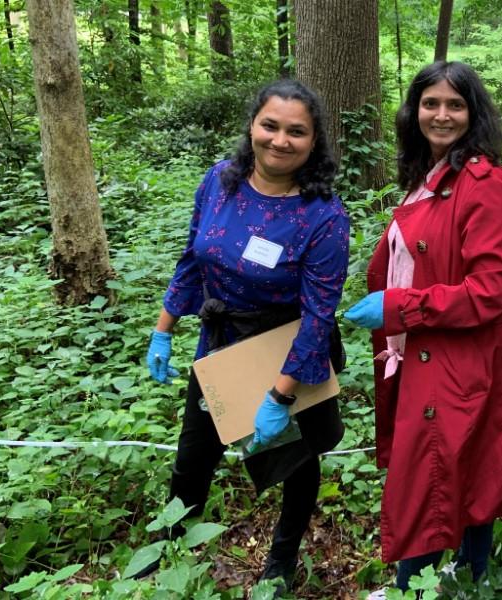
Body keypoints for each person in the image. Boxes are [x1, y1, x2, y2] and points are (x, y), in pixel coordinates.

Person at [138, 79, 350, 596]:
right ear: (252, 125)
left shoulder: (325, 217)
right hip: (219, 345)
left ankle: (281, 560)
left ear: (314, 140)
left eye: (296, 132)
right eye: (270, 125)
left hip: (286, 351)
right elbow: (192, 258)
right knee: (194, 454)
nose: (280, 140)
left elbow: (319, 317)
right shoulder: (220, 181)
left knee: (295, 464)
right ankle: (167, 546)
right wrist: (164, 330)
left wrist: (281, 395)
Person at [345, 61, 502, 596]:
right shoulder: (429, 177)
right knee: (463, 471)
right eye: (431, 103)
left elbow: (493, 291)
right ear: (414, 110)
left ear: (473, 114)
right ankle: (465, 579)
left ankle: (413, 589)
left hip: (463, 359)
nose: (441, 114)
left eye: (455, 104)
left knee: (430, 475)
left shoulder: (484, 182)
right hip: (431, 351)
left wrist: (401, 307)